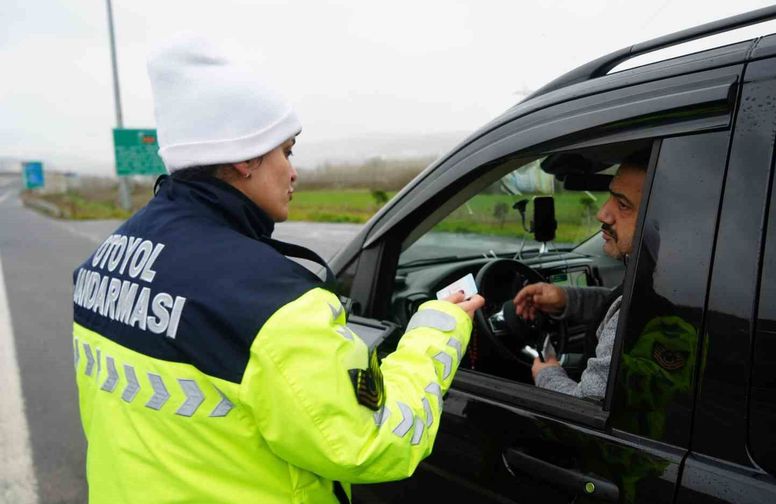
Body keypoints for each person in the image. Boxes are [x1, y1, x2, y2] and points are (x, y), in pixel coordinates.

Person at [71, 33, 483, 504]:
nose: (293, 171)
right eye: (286, 151)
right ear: (247, 157)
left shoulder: (105, 260)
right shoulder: (273, 303)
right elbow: (371, 444)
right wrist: (439, 330)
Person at [513, 158, 647, 400]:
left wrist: (547, 374)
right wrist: (566, 299)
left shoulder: (643, 312)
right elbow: (616, 304)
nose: (602, 213)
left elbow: (588, 407)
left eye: (623, 205)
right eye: (610, 197)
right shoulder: (663, 281)